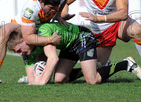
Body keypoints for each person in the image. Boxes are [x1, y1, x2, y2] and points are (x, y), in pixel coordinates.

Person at [63, 0, 141, 67]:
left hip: (118, 24)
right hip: (100, 31)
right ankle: (123, 65)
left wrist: (98, 18)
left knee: (137, 30)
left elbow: (123, 13)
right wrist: (63, 15)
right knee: (97, 69)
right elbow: (64, 1)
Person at [7, 22, 141, 85]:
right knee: (60, 79)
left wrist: (41, 81)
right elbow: (31, 78)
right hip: (69, 45)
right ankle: (97, 67)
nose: (20, 54)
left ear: (24, 39)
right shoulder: (27, 52)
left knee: (93, 80)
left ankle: (125, 64)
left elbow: (53, 59)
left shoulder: (43, 34)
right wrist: (34, 80)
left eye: (19, 50)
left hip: (81, 37)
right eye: (15, 52)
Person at [0, 0, 70, 85]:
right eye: (51, 8)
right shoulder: (30, 10)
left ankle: (36, 75)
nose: (53, 10)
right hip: (24, 24)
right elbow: (28, 38)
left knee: (42, 51)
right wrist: (50, 39)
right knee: (5, 30)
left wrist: (59, 13)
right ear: (41, 3)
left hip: (41, 25)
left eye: (56, 7)